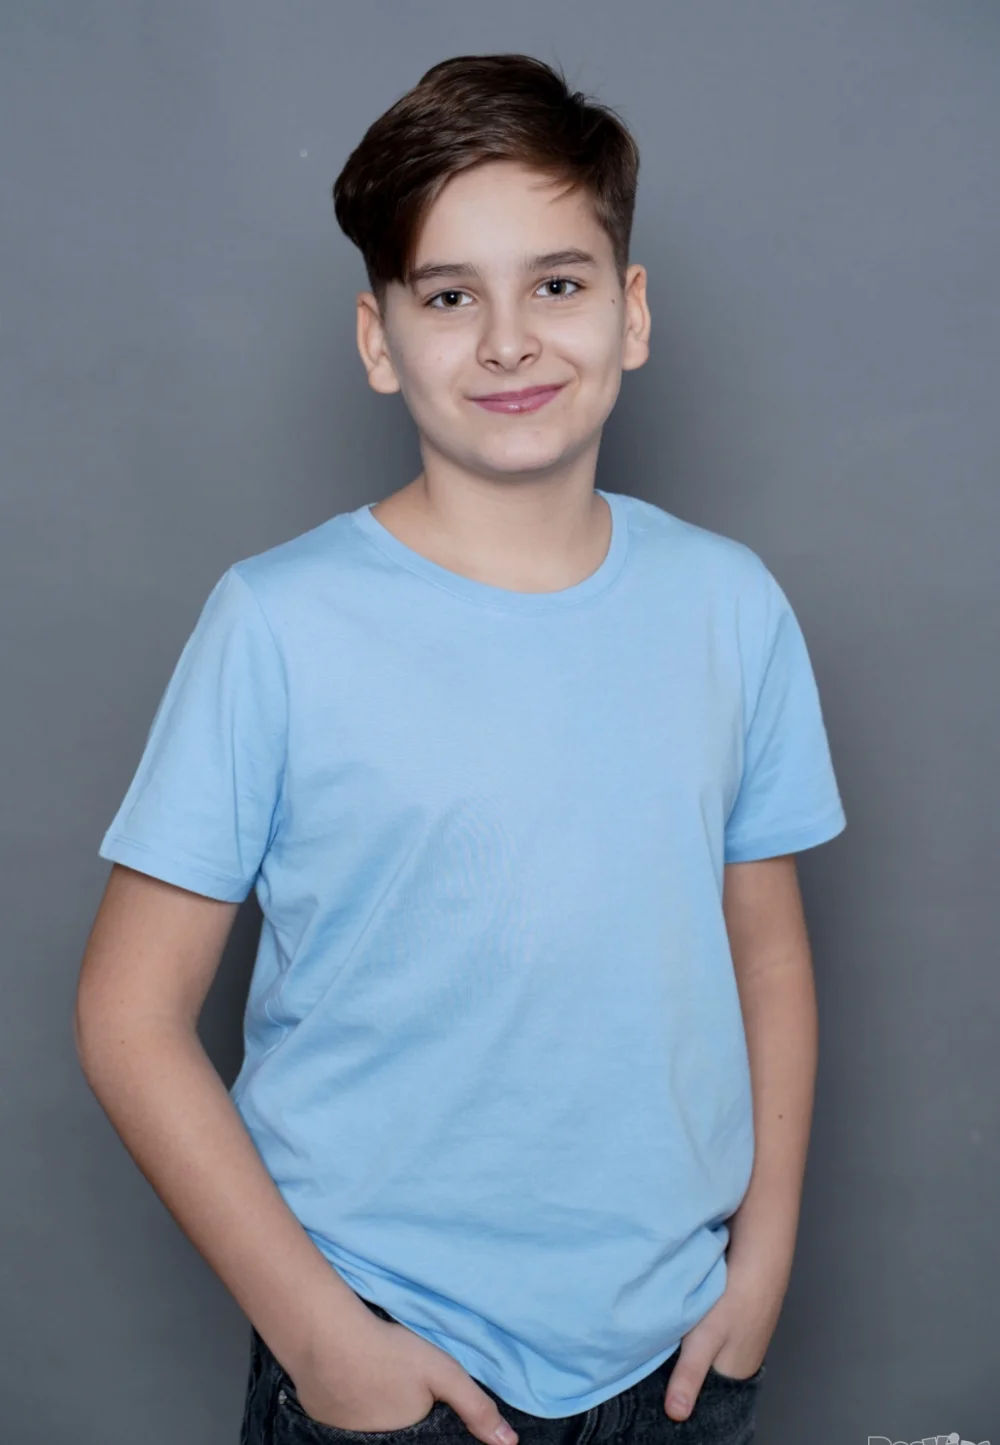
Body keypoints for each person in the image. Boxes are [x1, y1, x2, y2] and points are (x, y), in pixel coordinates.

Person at [76, 53, 847, 1445]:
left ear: (631, 313)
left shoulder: (730, 607)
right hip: (382, 1354)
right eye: (448, 297)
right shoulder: (277, 625)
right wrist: (324, 1342)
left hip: (676, 1348)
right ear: (378, 340)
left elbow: (768, 955)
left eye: (557, 283)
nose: (507, 342)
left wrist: (769, 1249)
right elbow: (129, 1016)